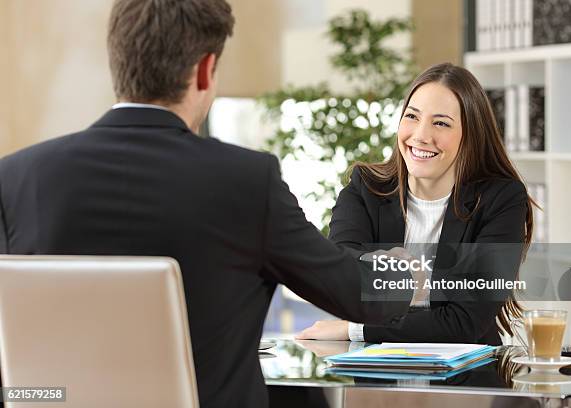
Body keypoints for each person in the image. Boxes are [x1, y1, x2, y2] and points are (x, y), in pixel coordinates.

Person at [0, 1, 410, 406]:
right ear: (204, 70)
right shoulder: (245, 181)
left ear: (117, 62)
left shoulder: (17, 178)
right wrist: (411, 266)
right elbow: (361, 295)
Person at [296, 63, 535, 345]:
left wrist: (355, 329)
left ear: (471, 135)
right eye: (412, 116)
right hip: (377, 372)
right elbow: (343, 275)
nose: (421, 135)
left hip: (466, 377)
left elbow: (465, 322)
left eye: (441, 123)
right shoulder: (366, 187)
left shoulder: (501, 199)